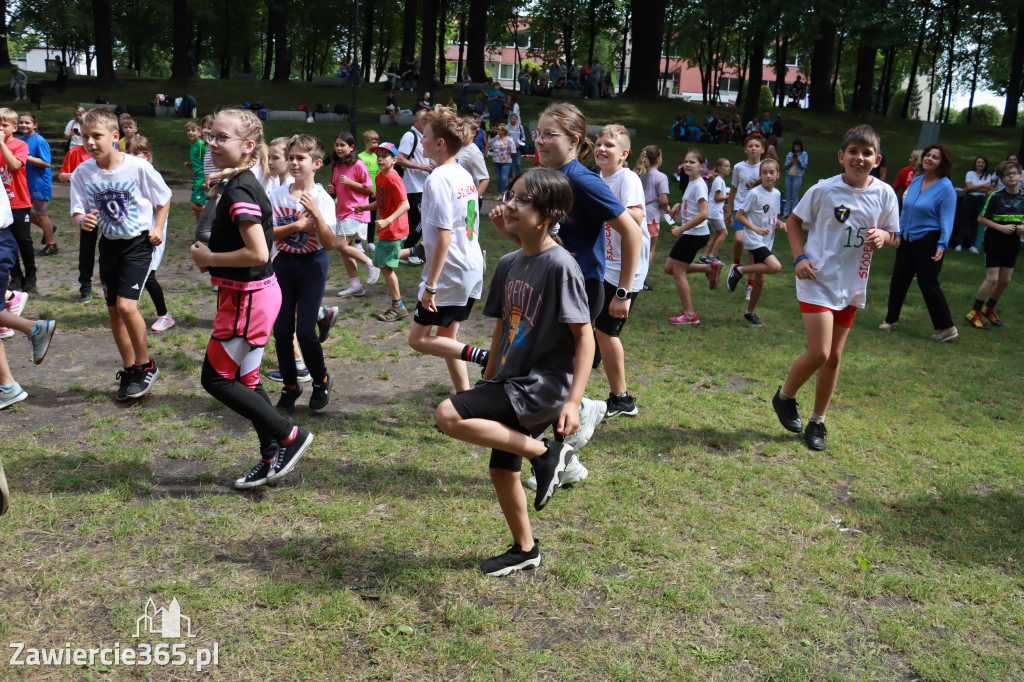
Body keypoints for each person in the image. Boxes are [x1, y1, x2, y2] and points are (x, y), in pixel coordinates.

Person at [437, 167, 592, 576]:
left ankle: (548, 454)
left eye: (523, 200)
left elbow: (585, 338)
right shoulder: (509, 263)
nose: (509, 203)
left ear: (548, 214)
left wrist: (574, 402)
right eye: (511, 194)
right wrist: (491, 374)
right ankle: (525, 549)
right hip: (510, 379)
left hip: (541, 387)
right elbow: (503, 325)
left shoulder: (561, 266)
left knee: (448, 414)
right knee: (502, 469)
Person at [514, 102, 642, 486]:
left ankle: (561, 456)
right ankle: (582, 414)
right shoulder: (546, 175)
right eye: (537, 132)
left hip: (583, 288)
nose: (540, 140)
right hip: (553, 284)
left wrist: (623, 292)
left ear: (573, 140)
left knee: (546, 374)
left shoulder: (584, 180)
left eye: (549, 134)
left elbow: (631, 232)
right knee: (544, 372)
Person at [190, 109, 314, 489]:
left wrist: (210, 259)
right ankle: (270, 454)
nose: (212, 144)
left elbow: (259, 252)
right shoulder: (234, 180)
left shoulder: (240, 187)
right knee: (247, 379)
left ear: (247, 146)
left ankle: (289, 436)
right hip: (252, 295)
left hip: (248, 298)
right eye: (210, 136)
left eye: (221, 137)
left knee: (215, 379)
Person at [772, 124, 900, 451]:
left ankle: (818, 422)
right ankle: (784, 397)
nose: (859, 158)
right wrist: (799, 257)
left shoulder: (885, 194)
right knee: (820, 352)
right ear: (841, 156)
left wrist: (883, 238)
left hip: (852, 286)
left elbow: (892, 235)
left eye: (866, 153)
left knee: (834, 358)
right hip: (816, 280)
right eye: (853, 152)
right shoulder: (824, 190)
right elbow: (795, 221)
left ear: (877, 159)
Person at [70, 108, 171, 400]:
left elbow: (163, 200)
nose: (90, 142)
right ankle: (129, 369)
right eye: (85, 136)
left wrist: (159, 228)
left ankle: (146, 364)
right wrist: (82, 220)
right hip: (109, 245)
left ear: (115, 136)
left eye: (97, 136)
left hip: (138, 243)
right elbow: (77, 209)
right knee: (114, 310)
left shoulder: (138, 167)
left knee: (127, 307)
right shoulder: (83, 172)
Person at [406, 107, 486, 393]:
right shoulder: (463, 174)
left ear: (439, 143)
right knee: (449, 337)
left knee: (418, 339)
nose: (421, 140)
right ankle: (466, 398)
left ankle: (483, 357)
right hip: (471, 265)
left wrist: (431, 285)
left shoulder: (438, 178)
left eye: (425, 135)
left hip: (450, 272)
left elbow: (443, 236)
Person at [269, 134, 337, 413]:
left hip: (313, 264)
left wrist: (317, 215)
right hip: (284, 263)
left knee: (306, 331)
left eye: (301, 158)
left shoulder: (323, 198)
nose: (294, 163)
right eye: (292, 157)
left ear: (317, 163)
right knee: (282, 330)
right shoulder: (277, 194)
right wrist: (297, 226)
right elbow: (266, 232)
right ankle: (290, 385)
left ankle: (321, 380)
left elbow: (330, 243)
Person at [593, 125, 647, 416]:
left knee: (607, 331)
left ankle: (622, 399)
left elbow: (636, 215)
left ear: (624, 154)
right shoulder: (599, 177)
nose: (602, 148)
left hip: (627, 269)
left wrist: (624, 292)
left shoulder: (627, 178)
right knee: (594, 324)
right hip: (606, 265)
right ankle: (593, 358)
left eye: (610, 145)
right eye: (599, 143)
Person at [880, 144, 959, 342]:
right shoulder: (916, 181)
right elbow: (905, 210)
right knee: (899, 279)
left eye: (935, 157)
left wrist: (942, 244)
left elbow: (947, 219)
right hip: (907, 238)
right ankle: (891, 320)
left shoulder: (946, 187)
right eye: (927, 155)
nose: (929, 159)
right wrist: (898, 233)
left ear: (942, 163)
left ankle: (948, 327)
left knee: (927, 282)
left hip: (929, 240)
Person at [354, 142, 412, 322]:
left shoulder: (393, 178)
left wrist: (388, 220)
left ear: (394, 160)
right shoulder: (379, 176)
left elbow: (405, 204)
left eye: (384, 156)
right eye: (378, 155)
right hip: (386, 228)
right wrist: (365, 207)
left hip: (394, 228)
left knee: (385, 267)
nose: (380, 159)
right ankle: (415, 251)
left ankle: (398, 306)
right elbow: (381, 201)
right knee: (380, 261)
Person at [963, 161, 1024, 330]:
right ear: (1002, 180)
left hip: (1013, 243)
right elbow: (981, 219)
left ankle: (989, 308)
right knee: (992, 279)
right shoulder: (996, 196)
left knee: (1005, 280)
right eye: (1007, 175)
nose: (1011, 176)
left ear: (1020, 176)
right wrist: (1001, 227)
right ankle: (974, 312)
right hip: (995, 241)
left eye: (1014, 173)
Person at [726, 158, 786, 327]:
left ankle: (750, 312)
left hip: (767, 240)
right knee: (775, 266)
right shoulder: (754, 193)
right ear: (760, 175)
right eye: (764, 173)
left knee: (761, 280)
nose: (768, 176)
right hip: (754, 238)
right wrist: (755, 229)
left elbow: (772, 216)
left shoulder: (777, 194)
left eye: (771, 172)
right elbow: (739, 216)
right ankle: (739, 270)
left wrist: (781, 224)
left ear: (778, 175)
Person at [126, 135, 176, 332]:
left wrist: (155, 229)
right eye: (128, 152)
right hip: (136, 232)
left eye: (136, 153)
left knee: (148, 275)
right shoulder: (131, 174)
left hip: (153, 233)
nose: (131, 156)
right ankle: (129, 312)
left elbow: (161, 203)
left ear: (147, 156)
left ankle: (165, 315)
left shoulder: (151, 175)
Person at [665, 149, 719, 325]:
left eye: (692, 162)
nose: (687, 164)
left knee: (678, 272)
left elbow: (704, 214)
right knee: (669, 267)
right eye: (686, 161)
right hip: (691, 233)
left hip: (694, 234)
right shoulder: (692, 181)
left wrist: (681, 228)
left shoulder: (699, 185)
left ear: (702, 166)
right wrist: (680, 204)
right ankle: (708, 269)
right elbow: (692, 203)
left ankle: (690, 314)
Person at [326, 132, 380, 297]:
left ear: (352, 147)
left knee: (340, 245)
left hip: (355, 210)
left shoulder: (358, 164)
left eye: (343, 145)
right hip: (342, 210)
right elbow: (338, 185)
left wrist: (350, 183)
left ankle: (371, 264)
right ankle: (356, 285)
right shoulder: (337, 165)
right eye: (337, 145)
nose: (339, 148)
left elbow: (370, 188)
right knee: (345, 249)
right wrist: (333, 189)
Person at [726, 133, 765, 301]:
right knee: (739, 240)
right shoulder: (738, 167)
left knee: (752, 249)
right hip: (740, 209)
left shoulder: (766, 166)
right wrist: (728, 209)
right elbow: (734, 188)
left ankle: (750, 285)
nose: (753, 148)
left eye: (757, 146)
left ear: (762, 149)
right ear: (745, 149)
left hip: (756, 212)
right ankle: (736, 264)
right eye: (750, 146)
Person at [0, 108, 34, 293]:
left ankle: (31, 274)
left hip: (18, 201)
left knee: (23, 240)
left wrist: (2, 145)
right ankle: (16, 276)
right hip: (1, 206)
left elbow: (14, 166)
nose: (0, 128)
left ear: (14, 128)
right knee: (6, 242)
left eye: (4, 125)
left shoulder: (20, 146)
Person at [18, 113, 55, 257]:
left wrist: (27, 157)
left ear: (34, 125)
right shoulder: (20, 140)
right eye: (21, 122)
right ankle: (49, 228)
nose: (24, 125)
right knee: (23, 212)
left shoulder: (40, 141)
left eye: (27, 122)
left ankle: (51, 244)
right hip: (25, 182)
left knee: (41, 214)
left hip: (39, 183)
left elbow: (46, 163)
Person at [396, 109, 431, 261]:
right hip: (413, 187)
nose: (427, 124)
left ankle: (405, 252)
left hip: (422, 186)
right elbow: (400, 159)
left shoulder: (422, 137)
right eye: (424, 121)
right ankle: (410, 250)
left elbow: (424, 160)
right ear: (415, 122)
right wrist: (421, 167)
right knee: (424, 219)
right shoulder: (410, 136)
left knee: (412, 222)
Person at [636, 146, 671, 280]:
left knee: (637, 248)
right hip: (651, 217)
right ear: (658, 159)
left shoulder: (638, 173)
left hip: (637, 214)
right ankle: (642, 279)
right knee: (649, 249)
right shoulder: (661, 177)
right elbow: (663, 200)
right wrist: (668, 209)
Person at [960, 156, 997, 253]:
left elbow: (986, 190)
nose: (980, 164)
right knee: (965, 221)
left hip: (981, 199)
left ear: (985, 165)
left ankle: (972, 245)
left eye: (983, 163)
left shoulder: (988, 176)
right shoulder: (970, 173)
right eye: (978, 162)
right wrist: (983, 186)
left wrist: (973, 188)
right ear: (975, 164)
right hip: (970, 198)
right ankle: (959, 243)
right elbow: (969, 187)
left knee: (976, 222)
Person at [454, 117, 490, 211]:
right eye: (459, 130)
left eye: (464, 130)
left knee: (468, 226)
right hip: (458, 198)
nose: (461, 133)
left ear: (473, 133)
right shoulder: (458, 148)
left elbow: (485, 179)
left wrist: (473, 199)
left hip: (469, 201)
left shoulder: (474, 152)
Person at [701, 157, 731, 263]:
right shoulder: (719, 181)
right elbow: (717, 198)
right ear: (719, 168)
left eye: (729, 166)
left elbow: (716, 199)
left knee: (717, 234)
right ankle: (712, 256)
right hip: (715, 213)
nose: (729, 168)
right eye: (726, 166)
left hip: (714, 211)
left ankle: (705, 256)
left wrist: (724, 205)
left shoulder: (719, 180)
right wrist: (730, 196)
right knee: (724, 233)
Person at [358, 130, 381, 250]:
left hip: (374, 194)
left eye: (377, 142)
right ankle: (357, 242)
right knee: (361, 217)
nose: (376, 144)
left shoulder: (377, 157)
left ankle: (370, 242)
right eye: (373, 142)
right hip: (363, 192)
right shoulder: (360, 157)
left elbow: (378, 175)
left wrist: (376, 191)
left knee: (372, 218)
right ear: (366, 142)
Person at [489, 123, 517, 197]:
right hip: (496, 161)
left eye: (499, 129)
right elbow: (492, 146)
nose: (497, 130)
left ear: (504, 131)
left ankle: (505, 195)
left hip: (506, 162)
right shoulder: (496, 137)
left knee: (504, 178)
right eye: (497, 129)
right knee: (499, 178)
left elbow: (513, 151)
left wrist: (508, 157)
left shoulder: (509, 139)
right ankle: (500, 194)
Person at [783, 138, 808, 217]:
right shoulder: (790, 154)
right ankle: (786, 213)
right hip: (789, 175)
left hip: (798, 176)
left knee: (795, 194)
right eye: (795, 146)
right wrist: (791, 162)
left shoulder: (804, 154)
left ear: (800, 147)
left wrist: (799, 161)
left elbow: (805, 166)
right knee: (788, 194)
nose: (796, 148)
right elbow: (785, 166)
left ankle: (794, 213)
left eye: (798, 146)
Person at [507, 113, 526, 178]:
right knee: (510, 164)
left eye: (515, 119)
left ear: (517, 119)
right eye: (512, 119)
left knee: (518, 164)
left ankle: (518, 177)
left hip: (518, 148)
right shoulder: (507, 127)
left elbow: (523, 137)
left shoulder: (520, 127)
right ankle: (510, 177)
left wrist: (521, 140)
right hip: (509, 148)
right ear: (510, 119)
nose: (513, 120)